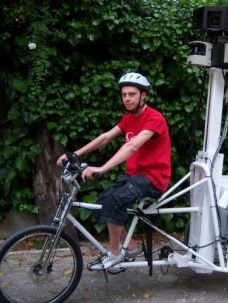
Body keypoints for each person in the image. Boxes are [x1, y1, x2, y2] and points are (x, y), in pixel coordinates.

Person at [57, 72, 171, 269]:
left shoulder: (154, 118)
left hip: (153, 178)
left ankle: (115, 254)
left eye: (132, 94)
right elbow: (105, 138)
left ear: (143, 95)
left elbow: (132, 146)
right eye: (124, 94)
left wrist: (102, 168)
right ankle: (132, 247)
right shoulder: (128, 117)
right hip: (134, 176)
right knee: (105, 202)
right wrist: (74, 154)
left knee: (115, 199)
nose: (127, 98)